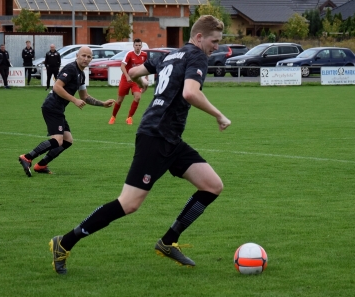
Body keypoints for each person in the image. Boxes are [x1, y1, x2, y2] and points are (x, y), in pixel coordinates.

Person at [49, 15, 231, 275]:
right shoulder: (196, 56)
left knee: (213, 185)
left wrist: (144, 83)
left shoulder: (170, 55)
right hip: (156, 136)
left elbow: (134, 72)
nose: (216, 47)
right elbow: (190, 92)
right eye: (214, 41)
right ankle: (64, 243)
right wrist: (219, 115)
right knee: (129, 203)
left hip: (169, 138)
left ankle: (168, 241)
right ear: (199, 37)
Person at [18, 46, 115, 177]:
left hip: (58, 109)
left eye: (89, 57)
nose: (86, 59)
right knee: (58, 140)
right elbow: (57, 87)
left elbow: (84, 96)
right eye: (83, 56)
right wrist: (74, 100)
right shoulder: (70, 68)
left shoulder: (81, 75)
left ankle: (41, 165)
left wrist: (102, 104)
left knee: (67, 140)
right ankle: (27, 157)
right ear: (77, 56)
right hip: (52, 107)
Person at [108, 38, 148, 125]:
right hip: (126, 79)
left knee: (138, 97)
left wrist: (146, 77)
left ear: (141, 46)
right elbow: (122, 66)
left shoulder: (144, 55)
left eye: (139, 45)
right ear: (133, 46)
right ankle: (113, 116)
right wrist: (127, 76)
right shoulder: (129, 54)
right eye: (136, 45)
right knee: (119, 100)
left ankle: (129, 117)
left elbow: (146, 67)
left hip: (136, 79)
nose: (138, 47)